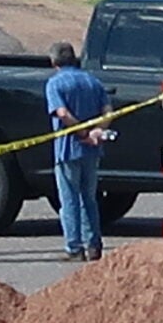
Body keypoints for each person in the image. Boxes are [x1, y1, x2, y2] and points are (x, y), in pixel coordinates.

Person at [44, 41, 112, 262]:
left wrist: (81, 132)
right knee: (89, 198)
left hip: (67, 149)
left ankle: (74, 246)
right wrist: (97, 132)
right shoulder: (92, 81)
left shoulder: (55, 84)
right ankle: (94, 244)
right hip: (92, 151)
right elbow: (108, 111)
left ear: (54, 62)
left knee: (69, 199)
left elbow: (62, 113)